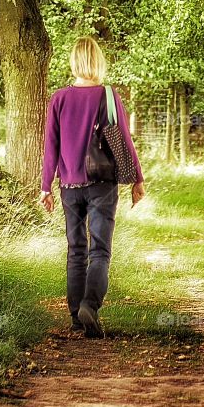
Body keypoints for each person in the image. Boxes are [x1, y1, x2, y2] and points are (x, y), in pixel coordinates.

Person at [40, 37, 146, 338]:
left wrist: (46, 186)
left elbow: (51, 146)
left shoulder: (59, 98)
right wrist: (137, 178)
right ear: (98, 61)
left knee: (76, 250)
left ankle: (77, 318)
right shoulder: (109, 96)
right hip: (102, 184)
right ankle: (90, 306)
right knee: (99, 250)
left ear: (74, 62)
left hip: (69, 186)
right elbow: (124, 139)